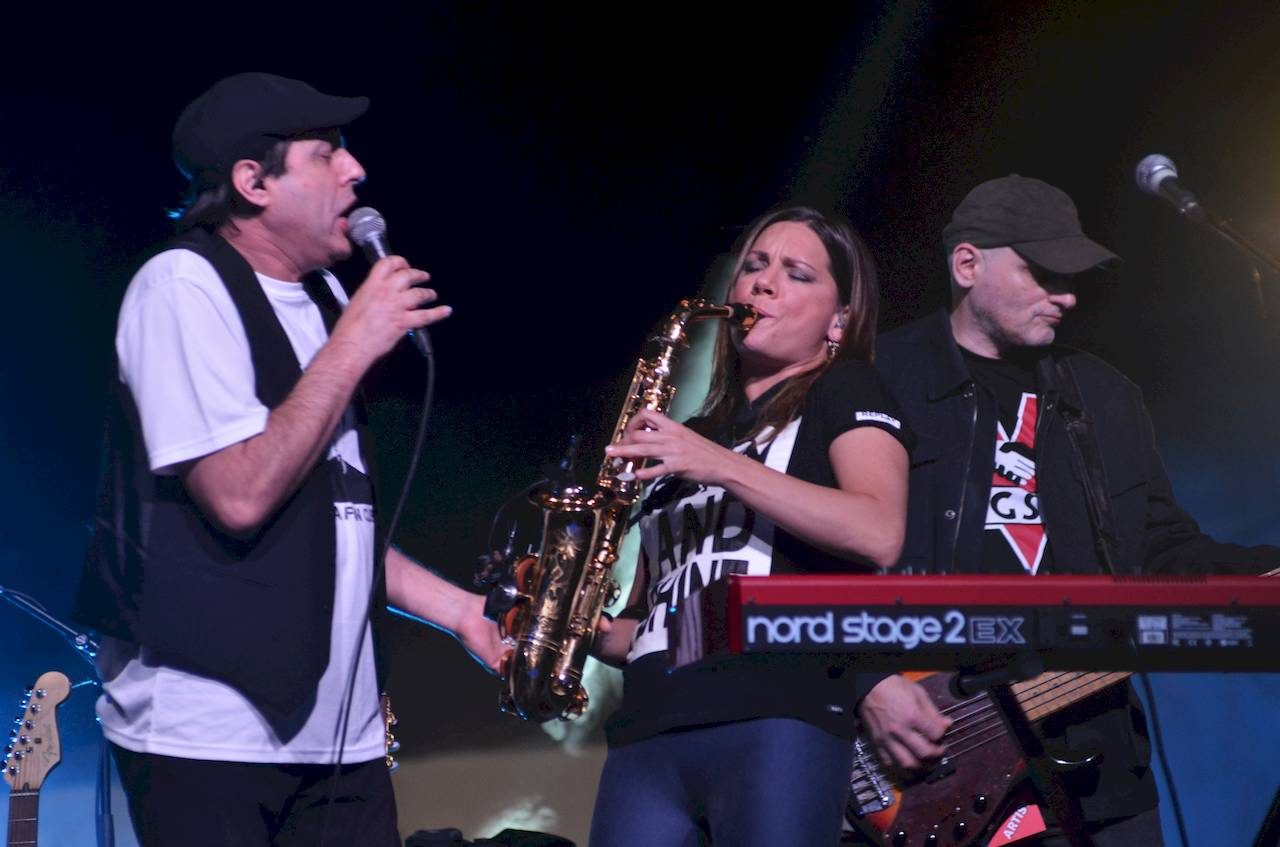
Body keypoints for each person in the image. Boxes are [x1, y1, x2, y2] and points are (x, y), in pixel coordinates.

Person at [72, 72, 503, 847]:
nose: (356, 171)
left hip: (342, 740)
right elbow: (238, 495)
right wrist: (353, 345)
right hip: (208, 735)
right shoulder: (181, 286)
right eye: (326, 154)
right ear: (253, 182)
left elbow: (336, 517)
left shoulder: (329, 300)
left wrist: (461, 611)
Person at [863, 174, 1280, 846]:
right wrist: (868, 682)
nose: (1067, 296)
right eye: (1043, 273)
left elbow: (1161, 550)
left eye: (1072, 276)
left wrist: (1265, 577)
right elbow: (810, 553)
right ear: (967, 264)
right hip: (934, 754)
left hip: (1098, 759)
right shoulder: (881, 377)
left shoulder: (1105, 395)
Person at [588, 206, 912, 846]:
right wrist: (575, 628)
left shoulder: (845, 388)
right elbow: (649, 627)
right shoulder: (693, 437)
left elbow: (878, 530)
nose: (763, 283)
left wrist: (719, 465)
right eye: (755, 267)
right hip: (649, 730)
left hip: (775, 714)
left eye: (797, 274)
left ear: (839, 320)